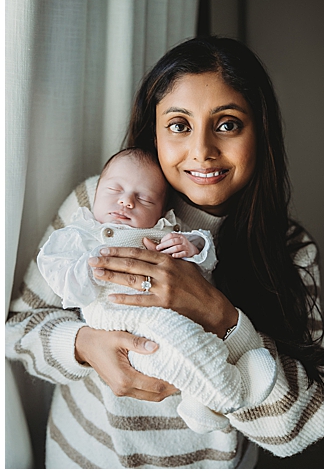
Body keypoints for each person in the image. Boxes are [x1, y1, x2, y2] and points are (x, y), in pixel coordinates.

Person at [6, 37, 324, 468]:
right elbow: (18, 328)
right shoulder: (102, 205)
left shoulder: (290, 250)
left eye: (227, 124)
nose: (202, 150)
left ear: (260, 131)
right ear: (154, 133)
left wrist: (216, 313)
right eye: (179, 125)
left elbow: (305, 421)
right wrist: (85, 345)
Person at [35, 147, 275, 435]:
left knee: (192, 345)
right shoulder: (82, 233)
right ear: (95, 195)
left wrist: (193, 248)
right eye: (114, 190)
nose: (126, 201)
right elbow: (55, 280)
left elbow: (206, 263)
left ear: (161, 212)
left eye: (144, 199)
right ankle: (228, 392)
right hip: (121, 320)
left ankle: (202, 401)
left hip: (173, 318)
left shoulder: (161, 232)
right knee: (178, 347)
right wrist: (82, 342)